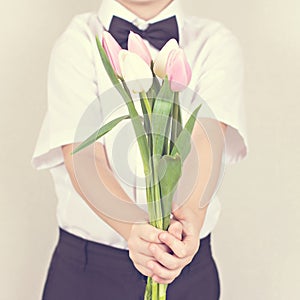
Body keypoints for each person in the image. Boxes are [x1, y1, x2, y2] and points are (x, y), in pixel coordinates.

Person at [31, 0, 248, 299]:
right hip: (88, 271)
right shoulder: (80, 40)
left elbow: (204, 142)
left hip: (186, 266)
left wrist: (186, 223)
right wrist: (135, 231)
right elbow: (83, 154)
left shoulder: (214, 42)